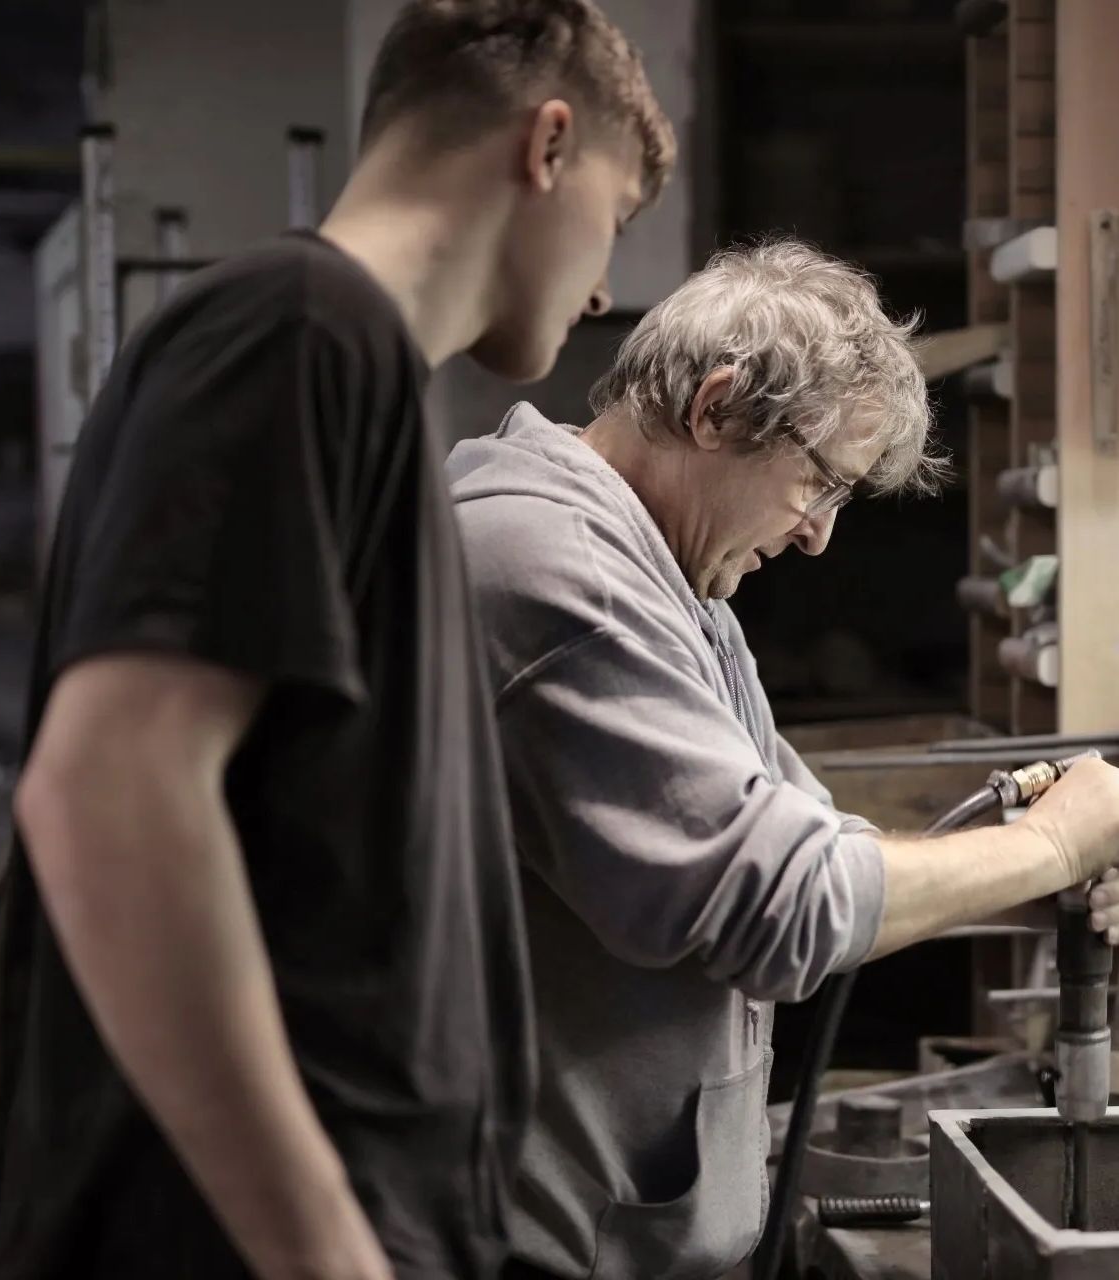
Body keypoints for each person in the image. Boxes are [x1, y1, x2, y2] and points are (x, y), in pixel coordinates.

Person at [0, 5, 675, 1279]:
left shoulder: (344, 370)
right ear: (550, 144)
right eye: (616, 221)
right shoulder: (300, 331)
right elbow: (110, 792)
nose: (606, 287)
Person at [445, 240, 1119, 1280]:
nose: (817, 538)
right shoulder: (555, 576)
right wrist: (1046, 839)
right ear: (715, 407)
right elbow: (786, 904)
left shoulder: (674, 584)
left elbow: (815, 840)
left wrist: (1048, 866)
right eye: (818, 482)